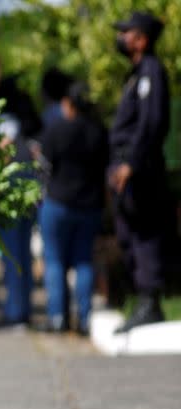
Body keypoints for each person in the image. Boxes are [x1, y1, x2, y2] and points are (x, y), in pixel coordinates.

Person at [108, 12, 172, 333]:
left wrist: (131, 163)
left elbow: (151, 123)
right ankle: (142, 299)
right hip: (126, 167)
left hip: (140, 170)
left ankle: (150, 301)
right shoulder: (136, 74)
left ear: (142, 39)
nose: (121, 38)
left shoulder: (151, 72)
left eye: (127, 32)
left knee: (145, 232)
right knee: (128, 233)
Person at [38, 82, 109, 335]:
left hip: (57, 203)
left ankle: (57, 317)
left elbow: (44, 164)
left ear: (68, 103)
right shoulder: (98, 131)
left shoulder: (56, 129)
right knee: (83, 261)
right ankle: (85, 318)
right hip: (89, 205)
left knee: (55, 260)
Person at [0, 76, 42, 327]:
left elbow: (1, 153)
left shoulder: (3, 122)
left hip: (8, 194)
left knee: (11, 255)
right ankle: (25, 308)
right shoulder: (30, 123)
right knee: (24, 253)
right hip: (29, 192)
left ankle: (16, 311)